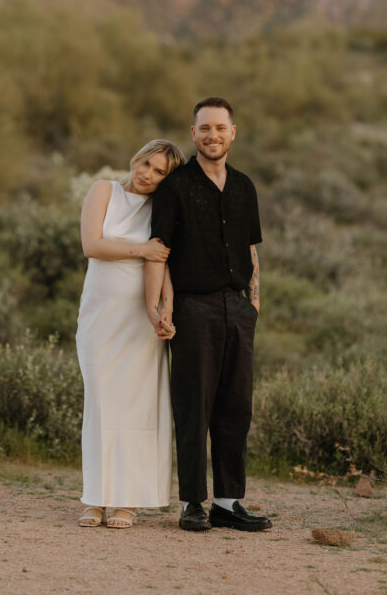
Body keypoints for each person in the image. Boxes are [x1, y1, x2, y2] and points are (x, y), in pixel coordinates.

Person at [149, 97, 272, 532]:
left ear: (232, 133)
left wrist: (253, 303)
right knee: (193, 406)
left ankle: (227, 501)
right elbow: (159, 252)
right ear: (193, 132)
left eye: (220, 128)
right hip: (193, 307)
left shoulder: (244, 187)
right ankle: (191, 503)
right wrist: (162, 305)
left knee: (236, 406)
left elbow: (251, 249)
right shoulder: (175, 187)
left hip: (238, 308)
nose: (212, 135)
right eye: (204, 128)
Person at [76, 138, 185, 529]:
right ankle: (96, 498)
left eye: (159, 173)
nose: (148, 176)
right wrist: (143, 251)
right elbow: (92, 245)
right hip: (100, 318)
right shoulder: (103, 190)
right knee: (101, 404)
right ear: (136, 159)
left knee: (137, 408)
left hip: (140, 321)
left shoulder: (161, 208)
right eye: (146, 165)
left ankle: (127, 501)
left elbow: (166, 263)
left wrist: (165, 308)